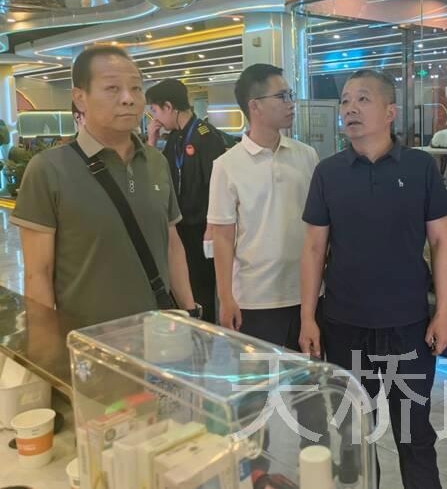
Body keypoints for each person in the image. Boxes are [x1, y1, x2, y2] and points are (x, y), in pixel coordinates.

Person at [300, 69, 447, 489]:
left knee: (414, 432)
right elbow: (314, 248)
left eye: (363, 99)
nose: (350, 108)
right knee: (353, 433)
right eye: (346, 101)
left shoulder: (420, 167)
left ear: (390, 112)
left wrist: (443, 312)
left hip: (408, 326)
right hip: (344, 324)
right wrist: (308, 317)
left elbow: (441, 242)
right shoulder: (328, 172)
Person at [11, 45, 198, 325]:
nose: (128, 99)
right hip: (87, 340)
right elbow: (38, 273)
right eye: (112, 88)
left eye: (136, 88)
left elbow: (171, 245)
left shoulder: (156, 162)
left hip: (157, 334)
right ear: (80, 98)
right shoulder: (48, 169)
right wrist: (43, 343)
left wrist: (190, 313)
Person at [207, 64, 318, 347]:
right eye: (281, 96)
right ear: (254, 106)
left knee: (307, 373)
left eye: (290, 94)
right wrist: (226, 298)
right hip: (255, 299)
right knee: (262, 374)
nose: (291, 103)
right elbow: (222, 236)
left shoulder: (306, 156)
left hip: (308, 294)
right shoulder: (226, 165)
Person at [145, 79, 227, 323]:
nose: (156, 118)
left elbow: (217, 186)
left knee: (201, 287)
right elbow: (158, 174)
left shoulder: (205, 136)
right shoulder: (175, 138)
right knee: (182, 286)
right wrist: (151, 140)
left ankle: (205, 332)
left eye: (156, 111)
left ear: (169, 107)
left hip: (200, 228)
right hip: (179, 228)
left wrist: (212, 227)